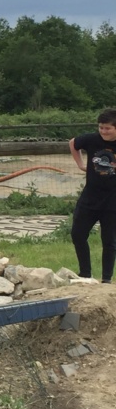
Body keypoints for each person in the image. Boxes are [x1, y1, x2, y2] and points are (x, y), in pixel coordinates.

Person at [69, 108, 116, 284]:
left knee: (109, 241)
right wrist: (80, 164)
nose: (103, 131)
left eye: (108, 128)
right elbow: (73, 143)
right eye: (101, 128)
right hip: (90, 197)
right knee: (78, 234)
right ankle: (85, 274)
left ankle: (106, 279)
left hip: (112, 200)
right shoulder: (91, 139)